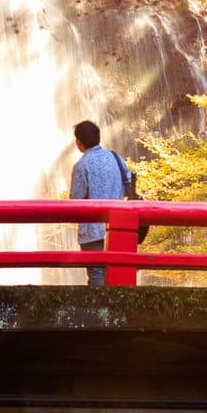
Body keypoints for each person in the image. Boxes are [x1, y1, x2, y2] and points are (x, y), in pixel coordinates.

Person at [68, 119, 129, 287]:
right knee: (118, 272)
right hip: (119, 227)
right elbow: (128, 186)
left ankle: (101, 311)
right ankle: (117, 309)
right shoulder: (117, 158)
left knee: (97, 274)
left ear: (79, 142)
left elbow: (75, 202)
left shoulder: (81, 166)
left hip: (93, 230)